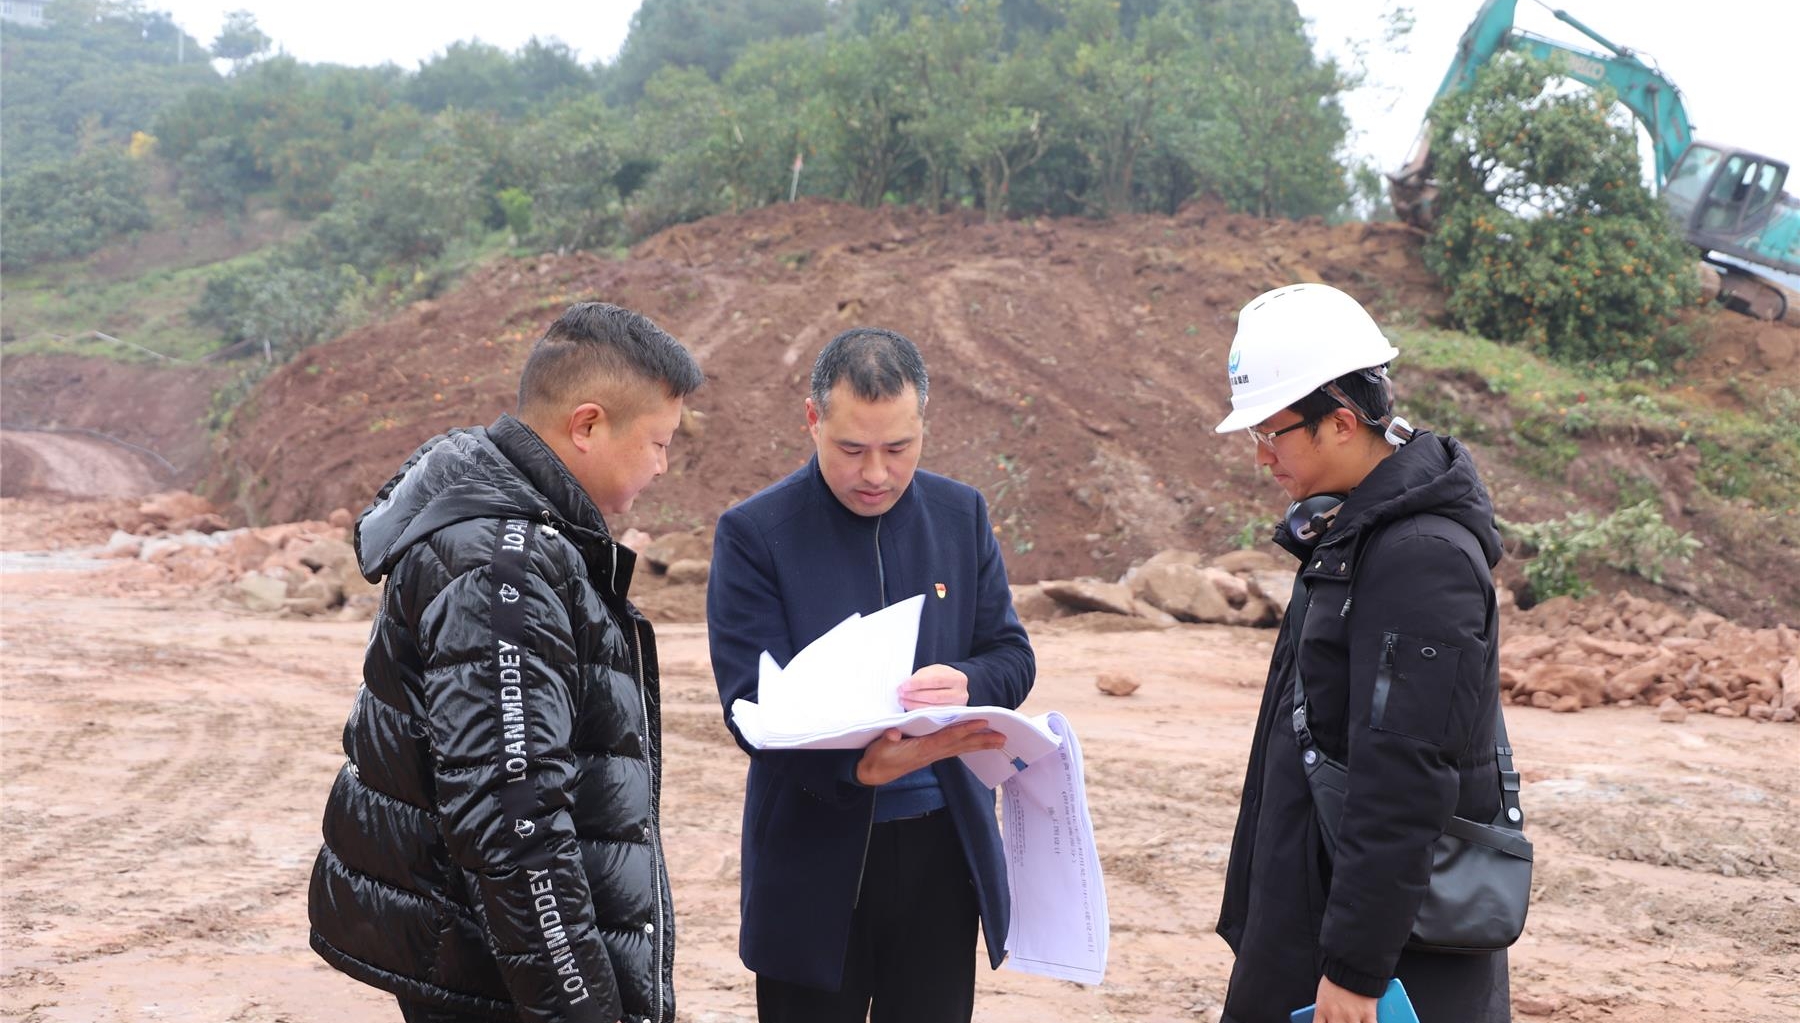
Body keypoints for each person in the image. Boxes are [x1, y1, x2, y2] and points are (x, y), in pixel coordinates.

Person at [307, 302, 703, 1023]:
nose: (662, 464)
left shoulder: (523, 536)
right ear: (587, 426)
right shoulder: (502, 566)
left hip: (490, 957)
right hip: (499, 977)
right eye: (657, 442)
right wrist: (582, 1007)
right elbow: (514, 821)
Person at [706, 326, 1036, 1023]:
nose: (877, 474)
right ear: (812, 419)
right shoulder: (756, 533)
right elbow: (748, 705)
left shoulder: (960, 515)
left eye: (899, 448)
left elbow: (1011, 653)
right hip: (811, 857)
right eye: (852, 449)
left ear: (924, 424)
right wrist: (856, 769)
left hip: (941, 850)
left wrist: (969, 681)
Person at [1211, 283, 1512, 1023]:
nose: (1261, 457)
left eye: (1272, 433)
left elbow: (1404, 776)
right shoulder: (1353, 532)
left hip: (1384, 958)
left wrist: (1356, 968)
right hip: (1317, 917)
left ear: (1341, 422)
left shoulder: (1420, 558)